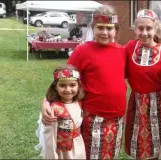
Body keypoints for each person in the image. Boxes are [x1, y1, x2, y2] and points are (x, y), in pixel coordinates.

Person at [41, 5, 127, 159]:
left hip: (117, 118)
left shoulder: (122, 52)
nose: (105, 32)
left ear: (116, 30)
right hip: (93, 117)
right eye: (100, 27)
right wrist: (46, 102)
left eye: (109, 28)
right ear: (93, 28)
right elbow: (61, 79)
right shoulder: (82, 51)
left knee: (110, 155)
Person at [124, 9, 161, 159]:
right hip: (137, 101)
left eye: (149, 28)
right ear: (135, 29)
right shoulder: (129, 48)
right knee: (137, 139)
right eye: (140, 28)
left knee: (159, 139)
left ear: (156, 29)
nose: (144, 33)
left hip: (159, 104)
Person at [36, 64, 86, 159]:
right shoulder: (53, 109)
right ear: (55, 87)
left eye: (72, 85)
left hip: (78, 146)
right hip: (61, 152)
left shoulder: (79, 103)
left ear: (78, 86)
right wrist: (52, 156)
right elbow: (49, 136)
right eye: (62, 85)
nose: (68, 90)